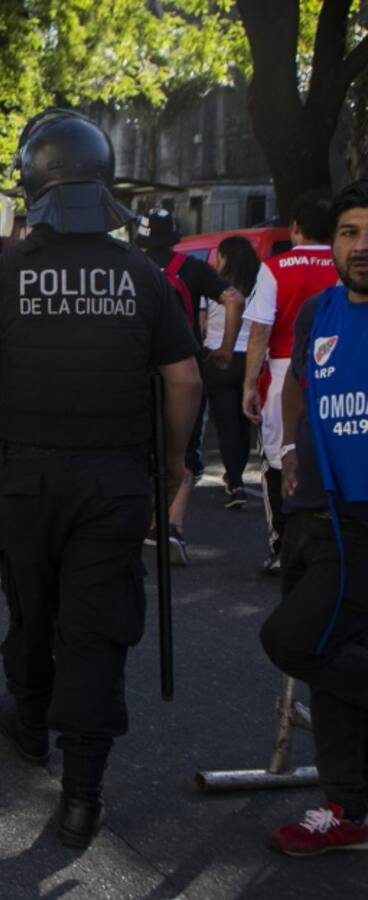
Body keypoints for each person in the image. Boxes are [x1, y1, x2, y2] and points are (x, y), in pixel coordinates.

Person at [0, 109, 201, 849]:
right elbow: (182, 380)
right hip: (115, 481)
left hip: (27, 479)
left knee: (32, 605)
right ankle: (82, 796)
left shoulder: (2, 273)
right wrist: (176, 464)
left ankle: (29, 720)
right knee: (96, 626)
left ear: (33, 184)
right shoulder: (143, 276)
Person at [259, 179, 368, 856]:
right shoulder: (319, 312)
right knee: (332, 655)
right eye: (351, 232)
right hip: (317, 514)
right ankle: (347, 807)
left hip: (361, 526)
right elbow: (299, 383)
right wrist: (294, 447)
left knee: (295, 641)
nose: (362, 246)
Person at [137, 208, 245, 563]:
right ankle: (170, 527)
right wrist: (225, 348)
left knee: (138, 446)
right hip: (185, 367)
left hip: (135, 369)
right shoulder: (193, 268)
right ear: (173, 235)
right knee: (184, 452)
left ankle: (140, 523)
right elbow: (233, 298)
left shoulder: (129, 266)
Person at [242, 193, 338, 574]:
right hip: (340, 367)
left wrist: (250, 383)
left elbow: (260, 329)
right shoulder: (344, 263)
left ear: (295, 227)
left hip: (283, 371)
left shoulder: (275, 268)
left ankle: (283, 545)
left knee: (279, 456)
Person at [204, 236, 260, 508]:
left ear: (224, 258)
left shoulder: (214, 287)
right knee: (243, 423)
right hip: (251, 357)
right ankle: (237, 475)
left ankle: (235, 483)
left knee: (226, 424)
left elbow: (201, 323)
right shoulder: (258, 285)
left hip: (218, 355)